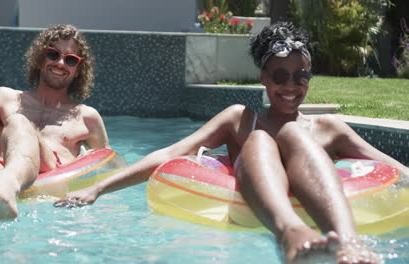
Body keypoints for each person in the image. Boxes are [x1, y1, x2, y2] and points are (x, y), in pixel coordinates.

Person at [55, 22, 407, 263]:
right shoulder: (241, 119)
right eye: (280, 76)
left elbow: (391, 166)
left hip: (325, 206)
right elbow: (172, 153)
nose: (291, 86)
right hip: (270, 211)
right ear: (263, 78)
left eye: (301, 76)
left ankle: (348, 242)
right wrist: (98, 188)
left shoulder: (328, 127)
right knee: (262, 139)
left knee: (292, 134)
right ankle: (290, 234)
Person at [0, 24, 110, 221]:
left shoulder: (87, 117)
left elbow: (107, 168)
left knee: (19, 121)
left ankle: (7, 185)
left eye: (71, 59)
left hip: (47, 178)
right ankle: (4, 186)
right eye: (53, 54)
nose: (61, 63)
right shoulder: (4, 98)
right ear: (40, 58)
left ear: (79, 70)